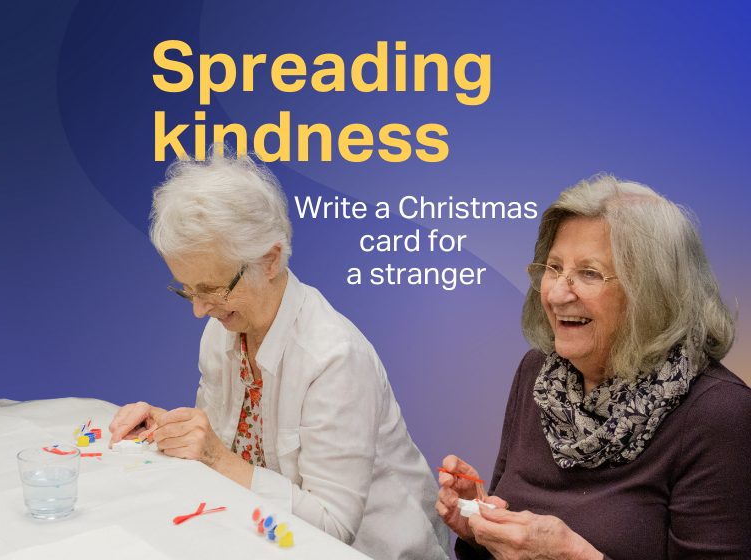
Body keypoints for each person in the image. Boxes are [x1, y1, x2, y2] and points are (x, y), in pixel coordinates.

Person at [109, 147, 450, 560]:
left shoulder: (333, 357)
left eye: (213, 289)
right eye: (187, 290)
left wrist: (214, 457)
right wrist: (168, 431)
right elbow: (224, 450)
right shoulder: (225, 329)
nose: (199, 310)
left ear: (270, 260)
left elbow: (333, 528)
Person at [436, 175, 751, 560]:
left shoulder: (720, 413)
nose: (555, 293)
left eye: (589, 273)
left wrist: (574, 556)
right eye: (553, 268)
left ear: (652, 292)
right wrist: (479, 526)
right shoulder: (538, 374)